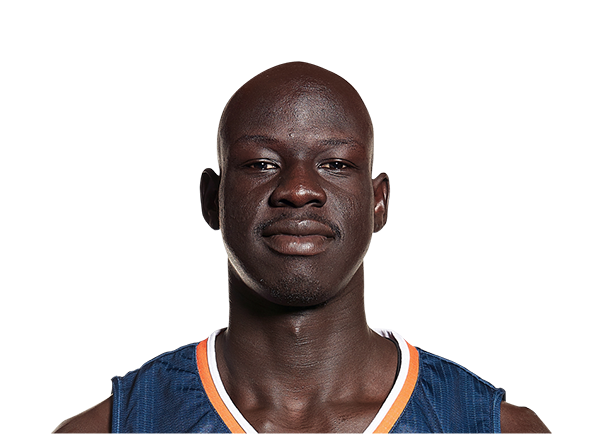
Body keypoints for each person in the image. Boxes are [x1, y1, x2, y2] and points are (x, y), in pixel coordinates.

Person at [55, 62, 549, 434]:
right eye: (261, 163)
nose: (298, 189)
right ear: (211, 200)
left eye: (335, 164)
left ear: (378, 202)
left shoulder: (495, 428)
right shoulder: (113, 428)